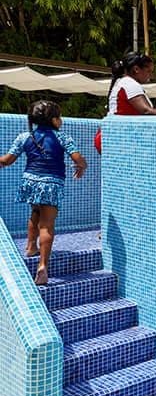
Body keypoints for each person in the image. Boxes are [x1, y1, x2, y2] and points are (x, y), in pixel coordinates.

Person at [0, 100, 86, 285]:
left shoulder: (25, 137)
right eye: (59, 117)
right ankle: (42, 267)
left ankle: (31, 247)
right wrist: (81, 166)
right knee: (47, 224)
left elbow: (7, 160)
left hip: (30, 182)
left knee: (35, 212)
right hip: (51, 184)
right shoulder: (62, 137)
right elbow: (78, 158)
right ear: (54, 120)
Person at [94, 51, 156, 153]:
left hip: (110, 136)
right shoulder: (129, 83)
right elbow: (146, 111)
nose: (150, 75)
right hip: (114, 137)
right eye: (148, 71)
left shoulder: (123, 82)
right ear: (136, 69)